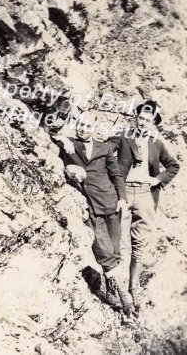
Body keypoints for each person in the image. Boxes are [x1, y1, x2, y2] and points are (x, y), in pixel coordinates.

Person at [53, 112, 134, 314]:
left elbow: (116, 174)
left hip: (110, 202)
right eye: (80, 124)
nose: (83, 128)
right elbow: (47, 133)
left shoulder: (104, 148)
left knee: (115, 250)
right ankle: (125, 296)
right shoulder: (69, 144)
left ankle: (112, 291)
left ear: (95, 128)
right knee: (101, 246)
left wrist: (122, 199)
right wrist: (62, 137)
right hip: (90, 204)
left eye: (88, 125)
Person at [107, 100, 180, 309]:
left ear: (153, 123)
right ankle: (114, 286)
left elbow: (173, 166)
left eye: (148, 120)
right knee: (116, 239)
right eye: (140, 118)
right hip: (124, 192)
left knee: (140, 244)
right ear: (135, 118)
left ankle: (133, 287)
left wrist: (158, 179)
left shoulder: (156, 143)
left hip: (146, 196)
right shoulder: (123, 136)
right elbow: (105, 150)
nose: (143, 122)